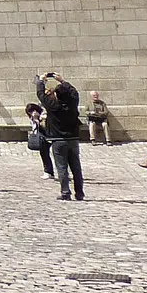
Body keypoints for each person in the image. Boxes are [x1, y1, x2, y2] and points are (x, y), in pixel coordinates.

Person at [37, 72, 85, 202]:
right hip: (73, 139)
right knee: (76, 167)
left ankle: (65, 192)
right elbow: (75, 93)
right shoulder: (73, 104)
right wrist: (62, 81)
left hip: (58, 140)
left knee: (62, 167)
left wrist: (41, 81)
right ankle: (79, 193)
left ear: (57, 95)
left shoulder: (54, 106)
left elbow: (41, 95)